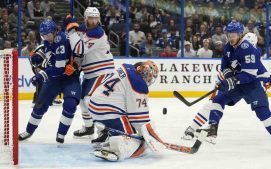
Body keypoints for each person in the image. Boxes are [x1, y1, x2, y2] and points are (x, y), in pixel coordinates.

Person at [182, 22, 271, 151]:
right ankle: (212, 130)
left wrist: (269, 79)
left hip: (251, 85)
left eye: (233, 35)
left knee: (261, 110)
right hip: (237, 84)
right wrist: (228, 78)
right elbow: (224, 65)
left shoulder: (249, 50)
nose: (231, 38)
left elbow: (251, 75)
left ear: (240, 35)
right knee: (217, 100)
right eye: (229, 35)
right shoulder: (228, 46)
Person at [18, 19, 81, 144]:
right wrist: (38, 56)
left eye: (48, 35)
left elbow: (59, 68)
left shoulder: (61, 40)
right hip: (54, 80)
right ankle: (29, 131)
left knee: (70, 105)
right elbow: (47, 52)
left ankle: (61, 134)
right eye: (44, 35)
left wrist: (41, 75)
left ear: (55, 32)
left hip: (69, 77)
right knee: (40, 105)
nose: (46, 38)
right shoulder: (48, 41)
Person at [88, 60, 165, 161]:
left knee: (126, 115)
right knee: (139, 143)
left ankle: (105, 133)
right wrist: (152, 138)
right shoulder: (139, 84)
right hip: (109, 112)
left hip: (94, 105)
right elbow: (139, 121)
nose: (149, 78)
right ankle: (115, 149)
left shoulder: (126, 67)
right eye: (149, 76)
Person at [64, 7, 115, 137]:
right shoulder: (85, 29)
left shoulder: (97, 33)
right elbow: (77, 41)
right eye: (91, 18)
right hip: (90, 73)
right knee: (82, 100)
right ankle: (89, 127)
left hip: (102, 72)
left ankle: (104, 130)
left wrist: (71, 30)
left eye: (96, 18)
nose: (94, 21)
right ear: (86, 18)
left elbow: (80, 49)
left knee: (89, 100)